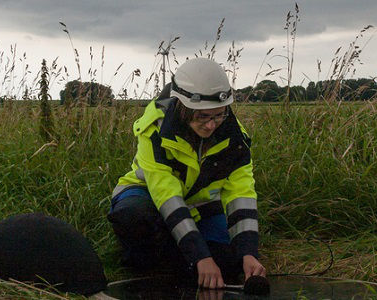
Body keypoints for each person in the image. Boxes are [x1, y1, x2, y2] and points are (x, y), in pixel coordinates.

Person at [107, 58, 265, 289]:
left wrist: (248, 253)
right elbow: (166, 196)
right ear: (183, 107)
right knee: (134, 219)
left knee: (229, 262)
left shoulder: (236, 138)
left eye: (218, 115)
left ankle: (179, 249)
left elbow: (241, 193)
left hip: (199, 205)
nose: (211, 125)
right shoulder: (154, 130)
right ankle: (149, 256)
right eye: (203, 116)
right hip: (146, 194)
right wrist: (200, 256)